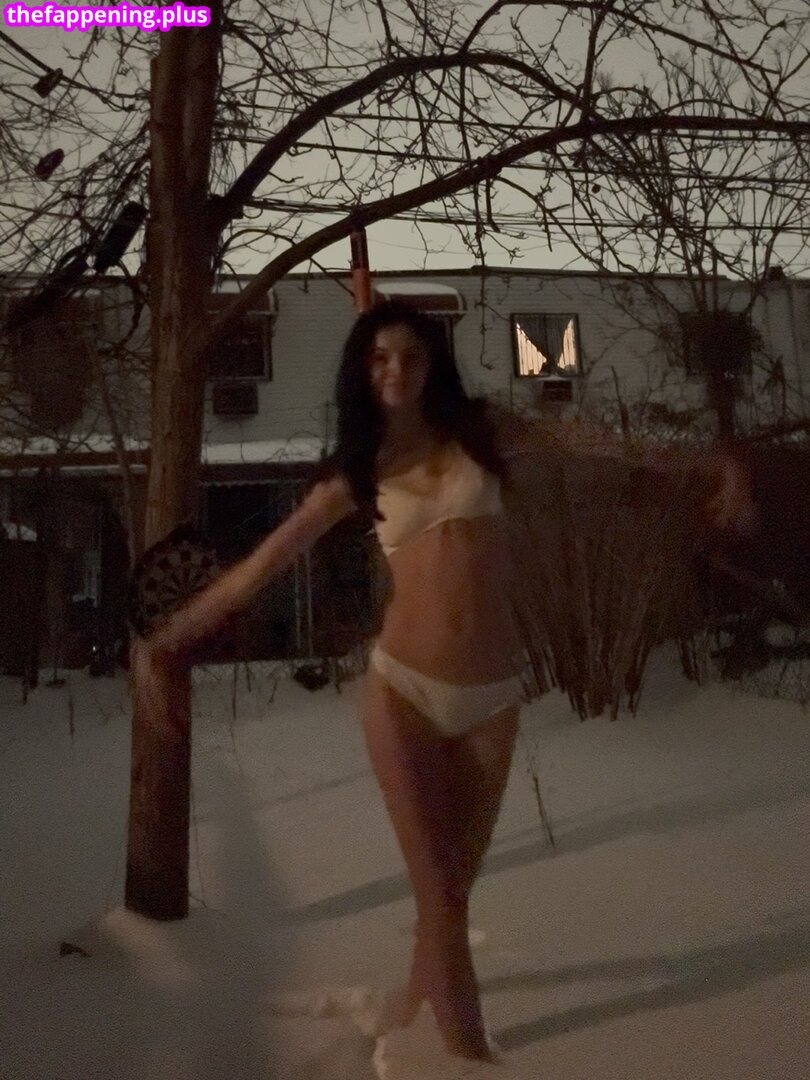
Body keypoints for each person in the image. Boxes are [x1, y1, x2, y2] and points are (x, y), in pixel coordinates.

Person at [140, 301, 755, 1063]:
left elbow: (607, 442)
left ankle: (409, 1005)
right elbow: (259, 569)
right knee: (441, 896)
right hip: (403, 692)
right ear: (362, 373)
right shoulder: (358, 473)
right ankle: (467, 1057)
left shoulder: (484, 433)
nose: (396, 370)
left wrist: (717, 463)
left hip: (492, 699)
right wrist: (164, 641)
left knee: (452, 892)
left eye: (411, 356)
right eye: (379, 358)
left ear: (433, 365)